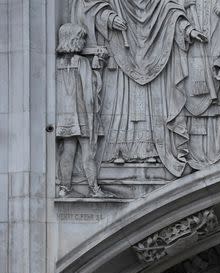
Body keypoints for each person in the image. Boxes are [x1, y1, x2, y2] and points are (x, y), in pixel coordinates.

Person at [75, 0, 208, 177]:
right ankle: (119, 152)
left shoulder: (159, 3)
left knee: (151, 107)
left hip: (155, 59)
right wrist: (110, 18)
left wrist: (189, 30)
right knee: (122, 106)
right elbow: (92, 7)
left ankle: (151, 151)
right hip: (121, 53)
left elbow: (171, 13)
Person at [55, 23, 112, 198]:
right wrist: (98, 68)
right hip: (82, 115)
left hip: (65, 117)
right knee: (88, 154)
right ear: (74, 39)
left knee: (68, 152)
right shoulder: (81, 62)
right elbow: (90, 91)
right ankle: (94, 188)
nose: (83, 42)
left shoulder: (57, 63)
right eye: (81, 38)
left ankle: (64, 187)